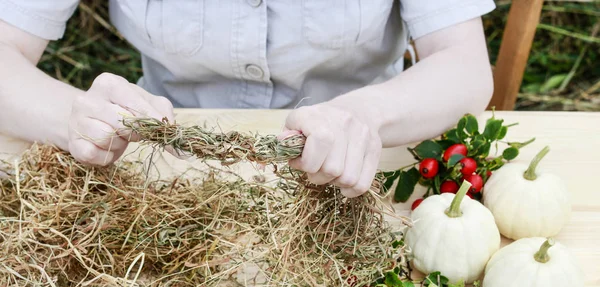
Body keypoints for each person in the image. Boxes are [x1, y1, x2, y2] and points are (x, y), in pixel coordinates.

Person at [0, 1, 495, 198]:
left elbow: (464, 65)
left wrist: (365, 115)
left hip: (355, 176)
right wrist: (70, 116)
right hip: (168, 180)